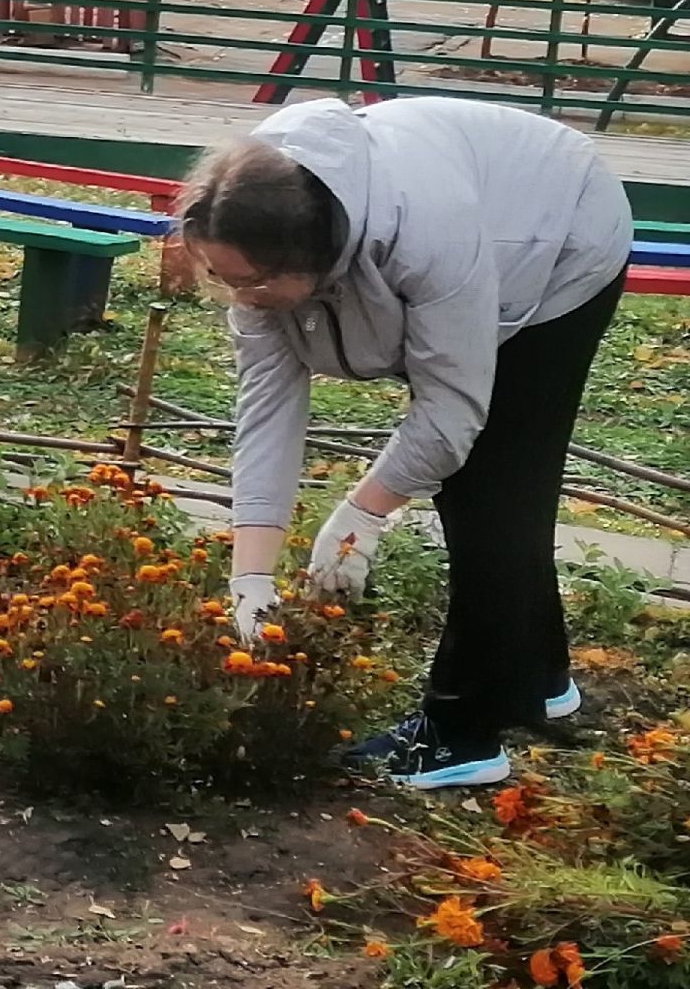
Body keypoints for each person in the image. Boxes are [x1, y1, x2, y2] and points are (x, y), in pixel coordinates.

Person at [176, 96, 631, 789]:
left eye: (253, 282)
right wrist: (251, 580)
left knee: (491, 486)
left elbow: (452, 409)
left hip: (556, 234)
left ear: (315, 259)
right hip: (483, 213)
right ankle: (538, 678)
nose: (238, 296)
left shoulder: (427, 235)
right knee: (494, 487)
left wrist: (362, 515)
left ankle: (463, 734)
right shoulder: (252, 210)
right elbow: (265, 412)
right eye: (221, 276)